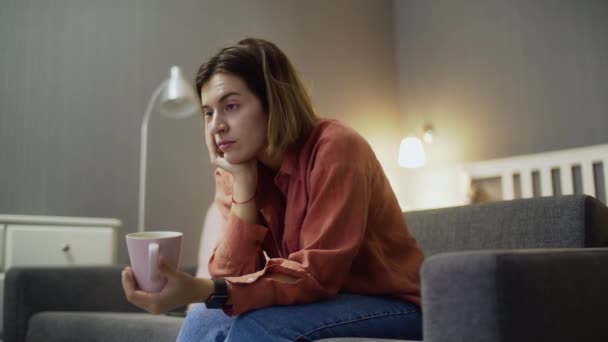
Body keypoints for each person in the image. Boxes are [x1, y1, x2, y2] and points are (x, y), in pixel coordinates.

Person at [121, 38, 424, 341]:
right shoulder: (237, 168)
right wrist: (243, 187)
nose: (216, 126)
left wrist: (202, 289)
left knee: (260, 326)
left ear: (274, 103)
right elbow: (230, 278)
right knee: (203, 317)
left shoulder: (336, 148)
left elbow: (317, 275)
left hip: (396, 304)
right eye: (208, 113)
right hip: (324, 303)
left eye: (231, 106)